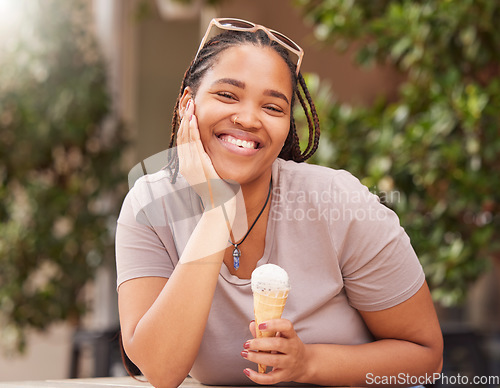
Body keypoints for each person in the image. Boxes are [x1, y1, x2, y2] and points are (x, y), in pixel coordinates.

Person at [115, 18, 443, 387]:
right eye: (227, 95)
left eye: (272, 107)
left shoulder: (340, 204)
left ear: (288, 123)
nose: (248, 118)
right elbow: (161, 370)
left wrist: (309, 363)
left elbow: (424, 356)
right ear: (187, 104)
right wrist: (217, 211)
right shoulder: (150, 205)